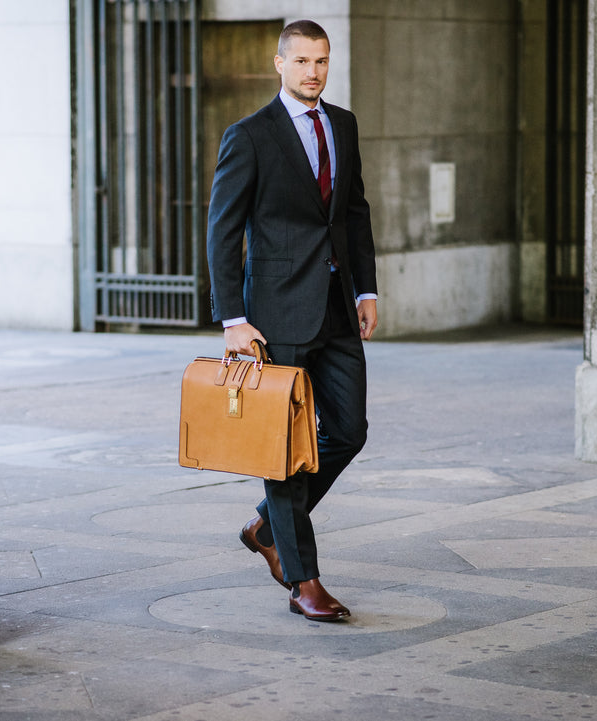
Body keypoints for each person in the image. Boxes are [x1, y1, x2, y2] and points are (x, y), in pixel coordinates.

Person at [206, 19, 378, 622]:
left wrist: (367, 289)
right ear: (279, 64)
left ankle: (265, 524)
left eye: (322, 61)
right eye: (302, 61)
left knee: (349, 431)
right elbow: (223, 230)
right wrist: (232, 318)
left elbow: (353, 213)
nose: (313, 71)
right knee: (279, 447)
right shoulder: (249, 135)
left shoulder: (344, 125)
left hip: (336, 307)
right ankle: (304, 581)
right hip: (274, 314)